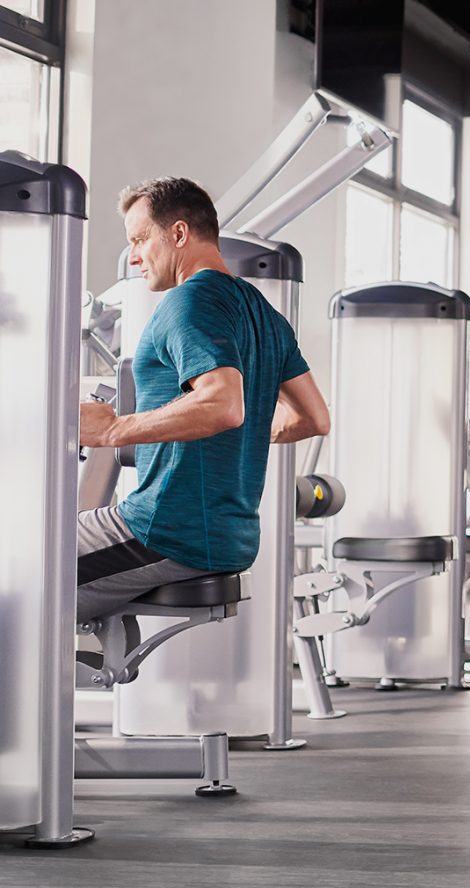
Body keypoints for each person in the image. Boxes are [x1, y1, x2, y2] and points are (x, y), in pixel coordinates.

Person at [75, 177, 330, 622]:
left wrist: (114, 428)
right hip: (231, 537)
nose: (134, 256)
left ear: (178, 234)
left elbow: (221, 406)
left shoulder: (186, 303)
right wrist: (243, 433)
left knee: (26, 564)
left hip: (163, 530)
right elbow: (313, 419)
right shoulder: (264, 313)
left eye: (139, 239)